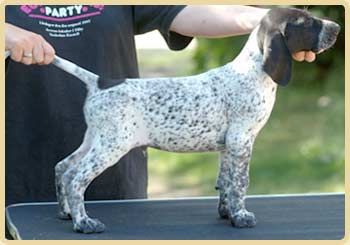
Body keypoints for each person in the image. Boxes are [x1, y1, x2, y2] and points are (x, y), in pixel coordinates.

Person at [5, 5, 316, 238]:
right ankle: (79, 212)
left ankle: (68, 203)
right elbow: (238, 143)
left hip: (120, 193)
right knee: (93, 161)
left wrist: (274, 20)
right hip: (15, 177)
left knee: (87, 155)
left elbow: (188, 10)